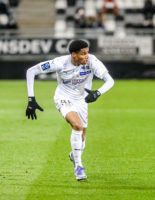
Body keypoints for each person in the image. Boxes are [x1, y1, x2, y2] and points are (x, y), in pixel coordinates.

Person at [25, 39, 114, 181]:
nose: (87, 56)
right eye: (83, 54)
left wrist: (97, 93)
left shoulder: (92, 61)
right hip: (63, 98)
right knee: (77, 125)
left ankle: (74, 155)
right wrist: (31, 99)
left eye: (87, 53)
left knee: (82, 134)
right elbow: (31, 71)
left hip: (82, 100)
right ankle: (78, 167)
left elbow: (110, 81)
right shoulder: (60, 63)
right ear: (73, 54)